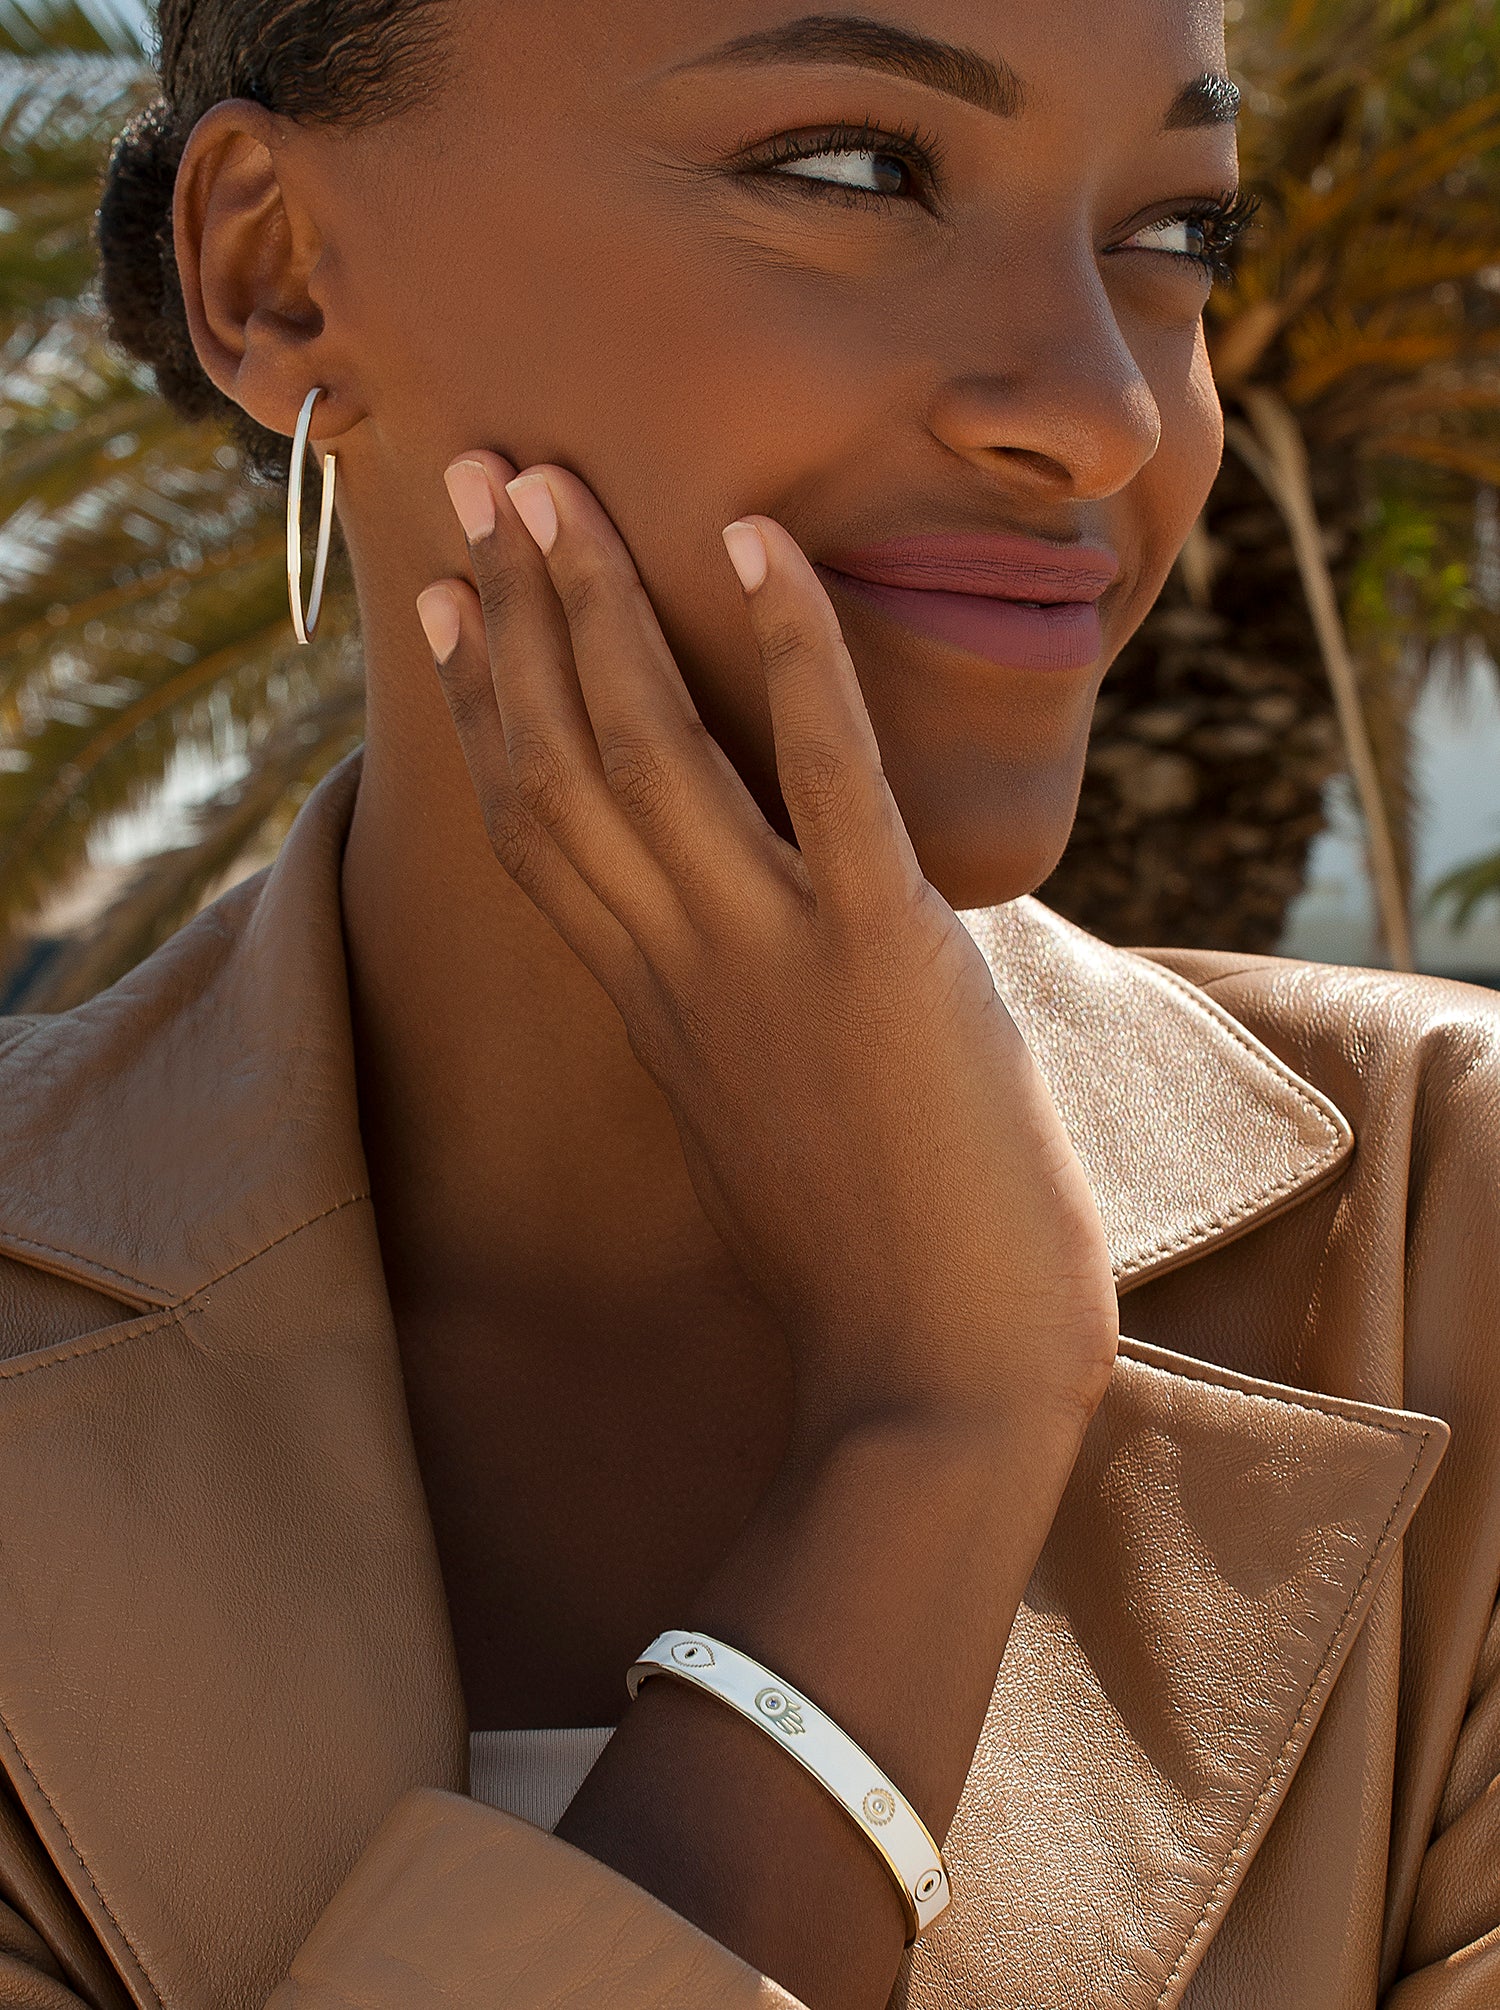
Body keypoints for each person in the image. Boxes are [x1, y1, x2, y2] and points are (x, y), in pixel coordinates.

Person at [0, 2, 1495, 2006]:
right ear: (277, 272)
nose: (1105, 412)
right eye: (857, 172)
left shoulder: (1455, 1256)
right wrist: (931, 1432)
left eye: (1175, 233)